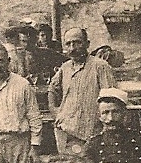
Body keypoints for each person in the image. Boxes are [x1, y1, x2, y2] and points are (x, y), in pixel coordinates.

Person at [50, 27, 117, 155]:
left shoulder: (100, 66)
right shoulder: (65, 68)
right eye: (68, 44)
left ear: (87, 44)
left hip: (92, 135)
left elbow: (111, 99)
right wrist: (55, 111)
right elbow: (52, 89)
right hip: (66, 132)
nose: (72, 48)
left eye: (77, 43)